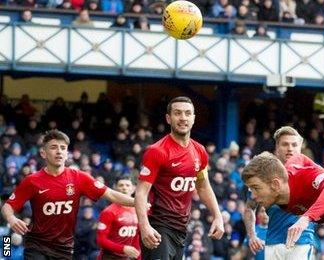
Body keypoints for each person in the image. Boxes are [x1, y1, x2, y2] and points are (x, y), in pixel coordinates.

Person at [1, 130, 135, 259]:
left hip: (64, 248)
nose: (59, 151)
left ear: (67, 153)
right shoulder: (31, 181)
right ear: (43, 153)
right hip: (35, 245)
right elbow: (8, 207)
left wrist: (139, 201)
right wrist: (11, 219)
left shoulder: (79, 178)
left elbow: (111, 194)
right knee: (7, 243)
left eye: (63, 148)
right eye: (53, 147)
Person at [243, 126, 324, 259]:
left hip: (302, 241)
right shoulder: (264, 175)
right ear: (277, 147)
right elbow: (249, 207)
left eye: (294, 144)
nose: (290, 148)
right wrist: (252, 236)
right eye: (285, 144)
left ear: (300, 147)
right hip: (272, 241)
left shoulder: (313, 173)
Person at [136, 96, 224, 259]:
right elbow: (141, 192)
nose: (183, 117)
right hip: (158, 226)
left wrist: (218, 217)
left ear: (193, 118)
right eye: (177, 113)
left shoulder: (200, 151)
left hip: (182, 228)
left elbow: (203, 187)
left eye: (187, 113)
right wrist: (144, 226)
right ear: (168, 118)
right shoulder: (156, 151)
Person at [96, 176, 141, 259]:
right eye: (121, 185)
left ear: (133, 188)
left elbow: (136, 237)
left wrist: (138, 257)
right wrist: (123, 249)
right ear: (115, 188)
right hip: (109, 257)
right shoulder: (108, 211)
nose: (124, 188)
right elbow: (100, 240)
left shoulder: (138, 211)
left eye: (127, 185)